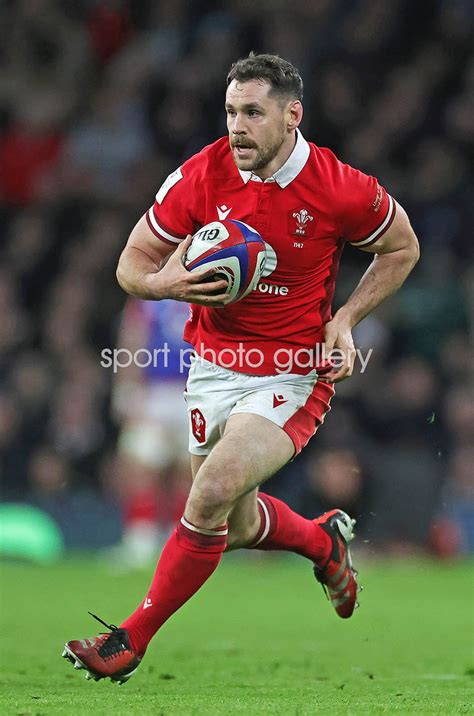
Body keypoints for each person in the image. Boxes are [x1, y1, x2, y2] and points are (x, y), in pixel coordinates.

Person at [62, 53, 419, 684]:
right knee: (235, 521)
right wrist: (163, 282)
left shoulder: (337, 186)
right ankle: (322, 543)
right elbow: (131, 262)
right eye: (230, 111)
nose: (237, 126)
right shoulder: (203, 174)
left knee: (208, 494)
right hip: (211, 369)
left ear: (291, 115)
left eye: (252, 112)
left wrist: (346, 319)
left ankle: (127, 641)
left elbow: (401, 246)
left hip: (291, 373)